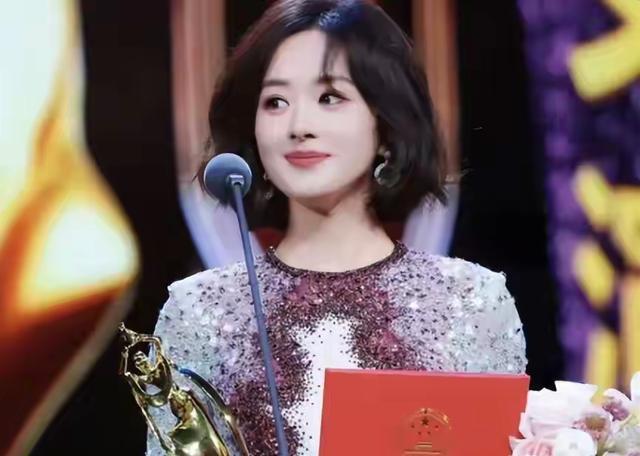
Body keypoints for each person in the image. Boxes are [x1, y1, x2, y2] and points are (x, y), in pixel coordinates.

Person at [147, 1, 527, 454]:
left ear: (386, 124)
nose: (298, 126)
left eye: (329, 98)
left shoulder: (472, 301)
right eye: (275, 102)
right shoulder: (198, 310)